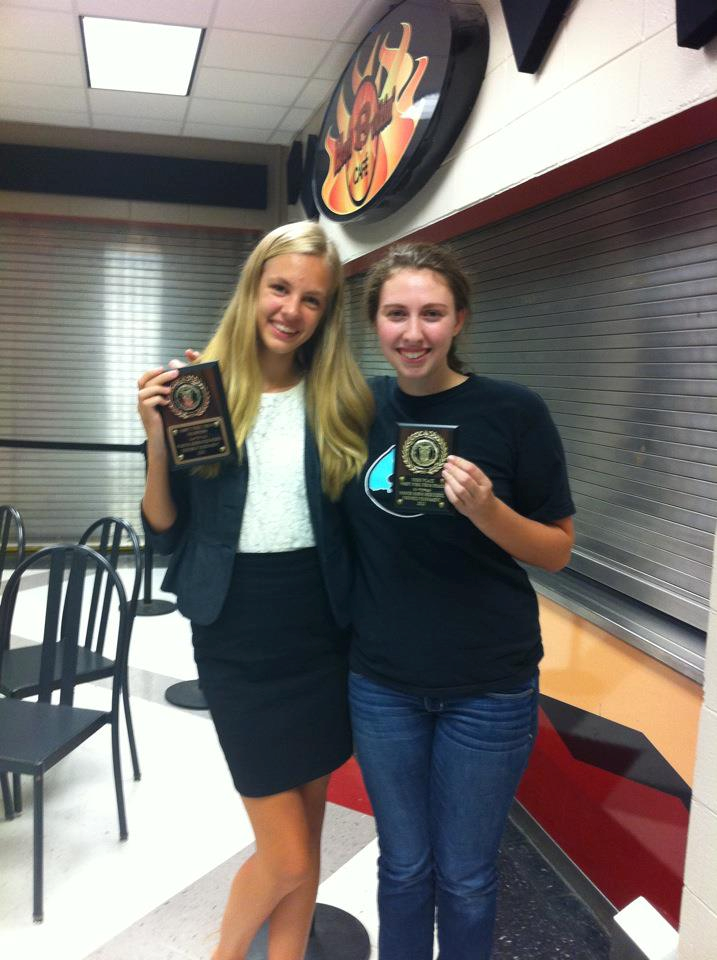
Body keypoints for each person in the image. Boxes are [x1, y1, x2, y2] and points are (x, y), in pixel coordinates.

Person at [137, 221, 373, 960]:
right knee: (292, 855)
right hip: (235, 633)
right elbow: (164, 530)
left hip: (320, 631)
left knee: (307, 831)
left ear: (325, 312)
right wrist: (154, 438)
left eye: (311, 298)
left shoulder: (338, 398)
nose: (291, 309)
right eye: (279, 288)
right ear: (252, 289)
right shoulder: (199, 393)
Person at [340, 242, 575, 960]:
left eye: (431, 313)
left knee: (468, 877)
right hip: (382, 683)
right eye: (396, 314)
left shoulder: (512, 410)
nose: (414, 332)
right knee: (403, 867)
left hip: (489, 686)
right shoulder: (356, 408)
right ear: (374, 322)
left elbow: (557, 549)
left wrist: (486, 512)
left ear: (459, 320)